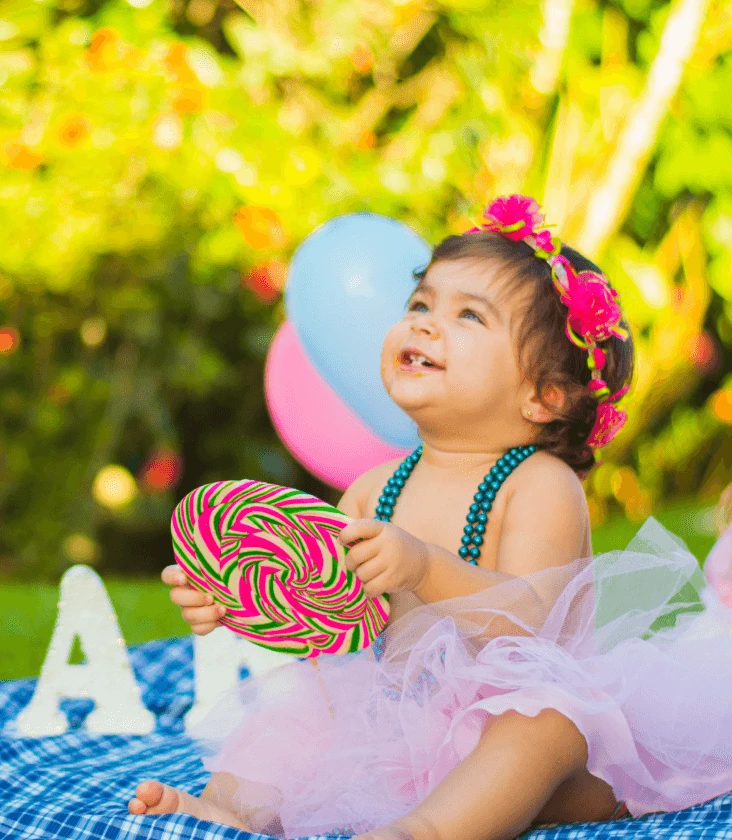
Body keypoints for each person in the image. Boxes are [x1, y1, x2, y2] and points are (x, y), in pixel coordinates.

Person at [127, 194, 732, 840]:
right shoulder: (373, 489)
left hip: (522, 743)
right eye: (420, 304)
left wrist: (422, 564)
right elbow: (326, 618)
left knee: (545, 722)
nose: (424, 324)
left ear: (543, 396)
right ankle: (232, 810)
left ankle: (429, 831)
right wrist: (235, 603)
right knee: (292, 701)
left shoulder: (538, 487)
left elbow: (530, 628)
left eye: (468, 315)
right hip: (396, 730)